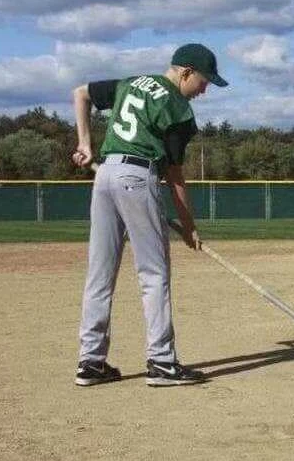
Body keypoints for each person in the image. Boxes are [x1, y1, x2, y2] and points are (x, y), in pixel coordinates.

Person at [71, 43, 228, 387]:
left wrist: (85, 143)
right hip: (138, 176)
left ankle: (90, 362)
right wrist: (189, 226)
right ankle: (162, 362)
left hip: (105, 174)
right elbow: (175, 175)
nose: (203, 91)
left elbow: (80, 93)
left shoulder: (131, 83)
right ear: (186, 72)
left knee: (100, 273)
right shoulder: (178, 108)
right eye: (203, 82)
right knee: (154, 274)